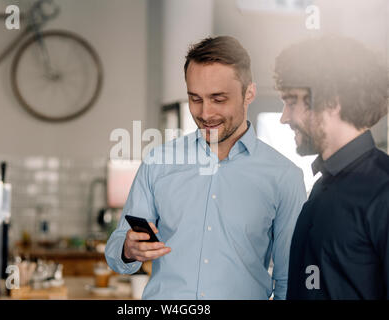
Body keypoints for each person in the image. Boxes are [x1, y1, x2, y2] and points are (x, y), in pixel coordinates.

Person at [105, 36, 307, 299]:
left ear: (249, 93)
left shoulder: (284, 177)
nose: (205, 113)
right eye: (195, 99)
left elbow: (289, 281)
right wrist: (128, 249)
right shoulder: (158, 163)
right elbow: (116, 249)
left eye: (218, 99)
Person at [274, 35, 389, 299]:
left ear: (332, 101)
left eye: (292, 102)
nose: (284, 117)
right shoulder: (324, 186)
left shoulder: (383, 191)